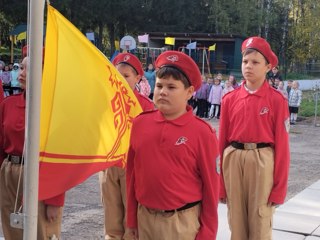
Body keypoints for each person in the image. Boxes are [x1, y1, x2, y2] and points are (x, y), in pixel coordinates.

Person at [126, 51, 220, 240]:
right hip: (145, 219)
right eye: (159, 85)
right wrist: (131, 220)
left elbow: (211, 188)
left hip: (181, 224)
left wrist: (208, 233)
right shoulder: (140, 124)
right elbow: (132, 175)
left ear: (189, 92)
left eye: (171, 87)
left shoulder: (202, 133)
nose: (163, 92)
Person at [219, 36, 290, 240]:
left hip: (262, 160)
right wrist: (220, 185)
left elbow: (283, 148)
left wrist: (279, 189)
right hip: (233, 159)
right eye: (245, 61)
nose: (248, 66)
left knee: (260, 219)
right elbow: (222, 141)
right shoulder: (229, 99)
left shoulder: (276, 100)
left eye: (255, 62)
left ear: (268, 66)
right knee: (236, 221)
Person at [0, 57, 65, 240]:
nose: (21, 73)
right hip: (9, 173)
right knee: (12, 230)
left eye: (27, 69)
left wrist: (55, 199)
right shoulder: (8, 104)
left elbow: (58, 156)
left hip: (40, 175)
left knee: (42, 232)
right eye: (21, 68)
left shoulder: (53, 108)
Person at [99, 52, 154, 240]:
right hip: (109, 165)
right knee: (111, 219)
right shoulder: (105, 103)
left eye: (126, 76)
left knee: (131, 222)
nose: (121, 80)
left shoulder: (145, 106)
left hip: (133, 168)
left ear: (138, 78)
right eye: (117, 75)